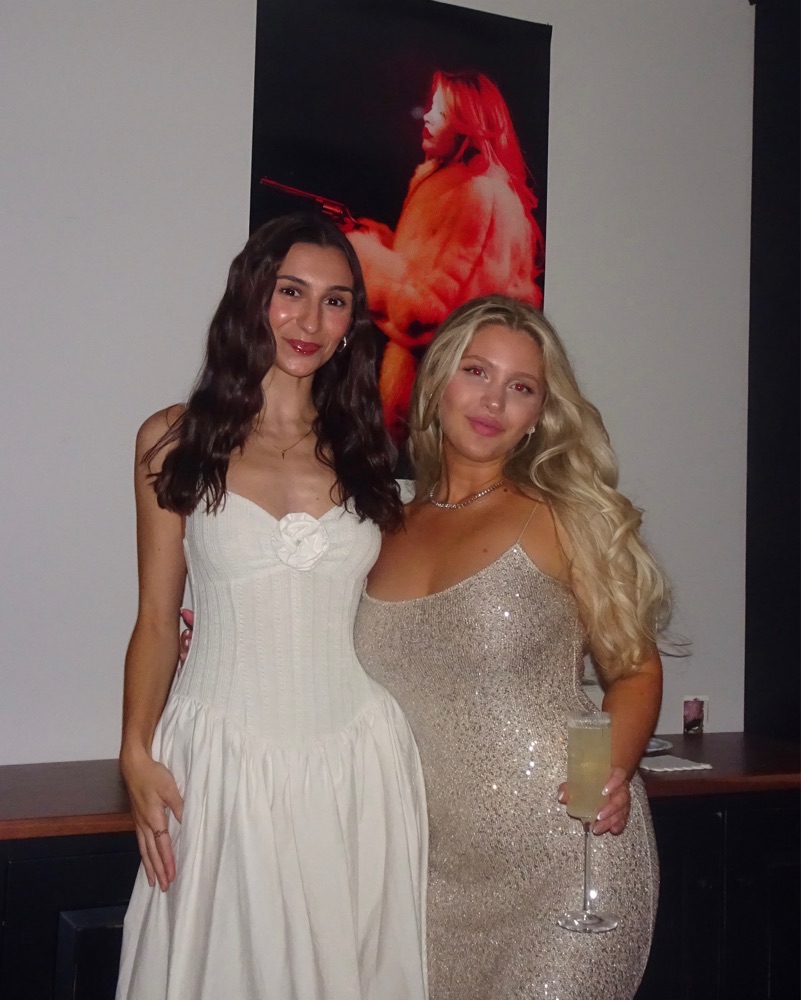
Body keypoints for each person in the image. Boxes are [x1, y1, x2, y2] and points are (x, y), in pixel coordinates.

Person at [116, 213, 428, 1000]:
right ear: (253, 296)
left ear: (351, 322)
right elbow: (156, 618)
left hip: (355, 762)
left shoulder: (369, 453)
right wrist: (134, 751)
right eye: (291, 292)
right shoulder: (172, 439)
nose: (309, 320)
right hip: (218, 760)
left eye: (334, 301)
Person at [355, 295, 667, 999]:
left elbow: (634, 669)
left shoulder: (563, 517)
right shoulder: (377, 531)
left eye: (521, 386)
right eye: (477, 371)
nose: (494, 400)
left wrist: (608, 773)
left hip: (566, 858)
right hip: (427, 881)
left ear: (538, 415)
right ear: (437, 381)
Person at [348, 70, 545, 443]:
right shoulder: (453, 182)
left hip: (437, 410)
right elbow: (436, 272)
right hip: (438, 402)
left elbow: (421, 312)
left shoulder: (476, 195)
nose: (425, 116)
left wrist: (364, 258)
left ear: (467, 122)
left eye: (439, 111)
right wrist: (383, 239)